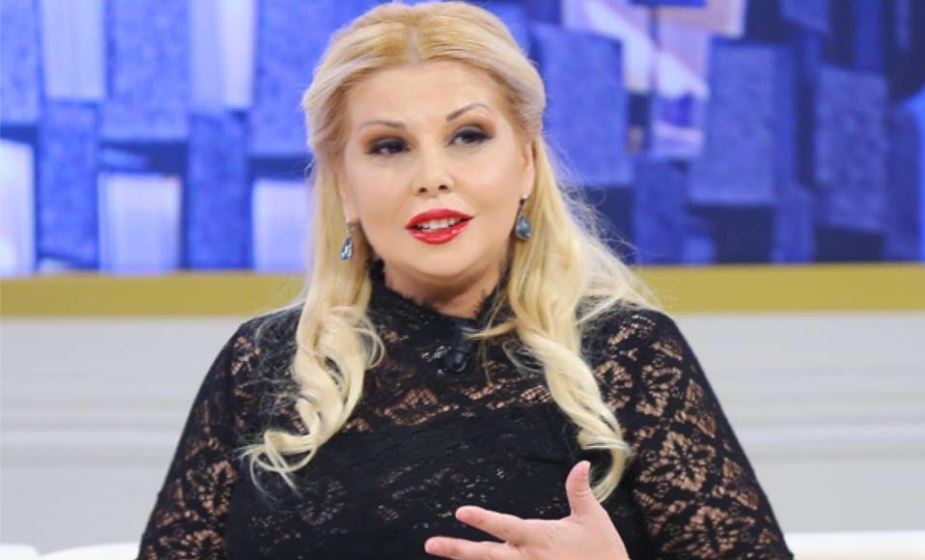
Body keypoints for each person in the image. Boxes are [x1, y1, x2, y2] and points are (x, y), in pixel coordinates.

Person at [136, 2, 794, 558]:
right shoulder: (261, 366)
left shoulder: (629, 354)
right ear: (345, 187)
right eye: (389, 146)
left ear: (527, 163)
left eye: (469, 136)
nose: (432, 176)